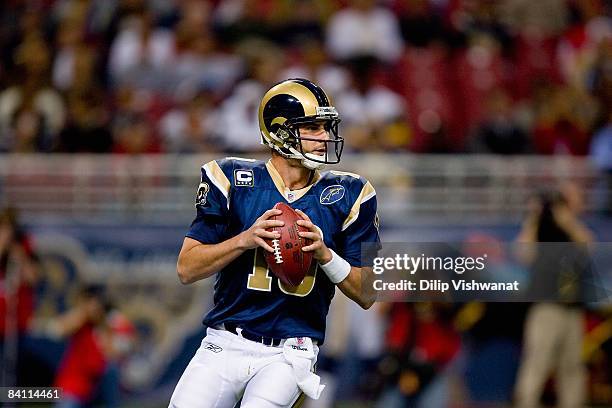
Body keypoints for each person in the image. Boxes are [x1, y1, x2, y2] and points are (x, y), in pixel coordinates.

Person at [168, 78, 381, 408]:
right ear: (281, 132)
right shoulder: (232, 179)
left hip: (290, 350)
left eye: (327, 127)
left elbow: (368, 292)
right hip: (224, 342)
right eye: (313, 127)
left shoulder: (352, 194)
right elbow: (186, 268)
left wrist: (326, 255)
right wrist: (244, 239)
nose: (325, 136)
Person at [514, 183, 594, 408]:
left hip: (572, 308)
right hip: (546, 308)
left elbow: (588, 246)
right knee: (537, 362)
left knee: (572, 366)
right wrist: (534, 216)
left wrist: (566, 220)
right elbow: (523, 253)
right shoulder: (541, 229)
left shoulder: (571, 229)